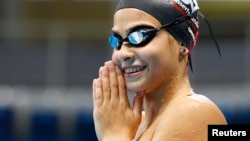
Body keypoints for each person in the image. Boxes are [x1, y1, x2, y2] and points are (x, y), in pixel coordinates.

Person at [92, 0, 227, 140]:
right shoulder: (134, 126)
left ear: (181, 43)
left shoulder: (194, 113)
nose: (122, 54)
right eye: (117, 40)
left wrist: (114, 136)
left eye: (140, 36)